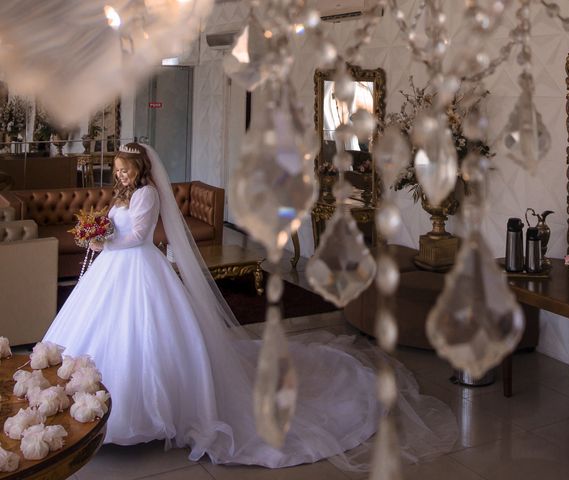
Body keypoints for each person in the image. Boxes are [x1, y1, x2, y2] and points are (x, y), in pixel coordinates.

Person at [44, 142, 457, 469]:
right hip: (114, 269)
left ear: (140, 169)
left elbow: (138, 236)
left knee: (149, 335)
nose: (120, 174)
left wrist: (104, 239)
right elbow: (117, 226)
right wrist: (97, 232)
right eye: (117, 169)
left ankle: (148, 413)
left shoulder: (147, 194)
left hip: (137, 267)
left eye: (125, 169)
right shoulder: (124, 193)